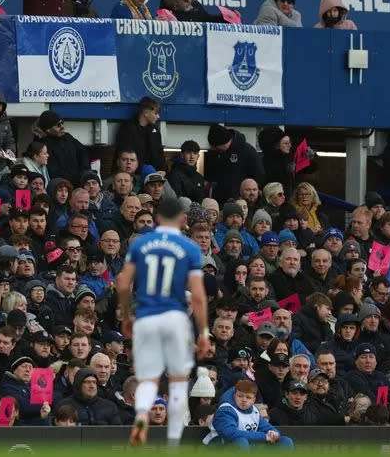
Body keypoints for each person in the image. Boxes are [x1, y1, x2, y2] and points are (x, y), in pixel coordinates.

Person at [116, 198, 210, 446]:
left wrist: (126, 315)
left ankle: (140, 421)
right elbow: (198, 296)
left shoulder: (142, 243)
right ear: (182, 219)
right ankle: (173, 441)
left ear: (157, 219)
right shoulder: (189, 248)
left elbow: (124, 283)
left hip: (147, 316)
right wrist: (203, 332)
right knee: (179, 382)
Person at [204, 379, 293, 447]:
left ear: (254, 400)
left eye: (248, 397)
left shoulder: (253, 410)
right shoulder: (225, 410)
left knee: (285, 441)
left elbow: (267, 427)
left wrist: (274, 433)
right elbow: (230, 434)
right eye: (240, 396)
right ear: (235, 396)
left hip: (249, 447)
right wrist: (264, 437)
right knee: (241, 442)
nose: (244, 400)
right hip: (220, 446)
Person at [205, 124, 264, 204]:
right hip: (222, 200)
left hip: (242, 201)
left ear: (223, 142)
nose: (215, 149)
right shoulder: (219, 153)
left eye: (216, 147)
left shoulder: (247, 151)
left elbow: (259, 174)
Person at [113, 97, 166, 174]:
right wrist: (145, 170)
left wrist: (163, 170)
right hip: (132, 175)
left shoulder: (155, 130)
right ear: (146, 113)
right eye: (156, 113)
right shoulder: (127, 128)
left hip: (153, 176)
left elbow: (159, 153)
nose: (158, 116)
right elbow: (124, 155)